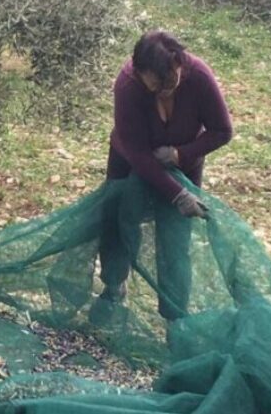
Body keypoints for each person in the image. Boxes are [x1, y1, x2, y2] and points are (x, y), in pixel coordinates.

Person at [96, 29, 233, 320]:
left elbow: (223, 131)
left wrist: (181, 155)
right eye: (155, 87)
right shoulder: (127, 86)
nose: (163, 92)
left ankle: (175, 314)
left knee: (175, 238)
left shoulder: (199, 77)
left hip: (184, 165)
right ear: (140, 72)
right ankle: (113, 286)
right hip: (130, 160)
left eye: (170, 83)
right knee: (117, 220)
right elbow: (136, 152)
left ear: (179, 64)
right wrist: (177, 194)